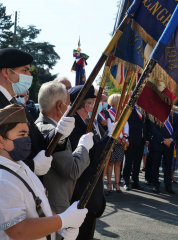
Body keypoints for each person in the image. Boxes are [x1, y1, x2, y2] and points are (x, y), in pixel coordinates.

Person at [0, 104, 88, 240]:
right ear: (0, 140)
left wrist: (59, 226)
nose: (27, 139)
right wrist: (62, 220)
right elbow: (18, 230)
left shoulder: (19, 165)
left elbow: (41, 206)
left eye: (27, 134)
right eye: (22, 134)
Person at [0, 48, 74, 176]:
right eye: (24, 70)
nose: (30, 76)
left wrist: (59, 133)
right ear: (6, 72)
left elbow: (38, 141)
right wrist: (30, 166)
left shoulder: (17, 105)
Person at [36, 81, 94, 240]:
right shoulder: (51, 131)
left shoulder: (40, 126)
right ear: (60, 105)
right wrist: (84, 147)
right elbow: (72, 170)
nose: (71, 109)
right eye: (69, 105)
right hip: (55, 206)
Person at [69, 85, 116, 240]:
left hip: (90, 191)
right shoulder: (75, 124)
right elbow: (91, 155)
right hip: (81, 191)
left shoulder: (87, 122)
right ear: (85, 105)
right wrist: (111, 136)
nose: (95, 106)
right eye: (93, 102)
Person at [98, 94, 129, 193]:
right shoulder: (106, 113)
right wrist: (119, 138)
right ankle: (109, 184)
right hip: (112, 140)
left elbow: (126, 125)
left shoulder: (121, 113)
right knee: (110, 163)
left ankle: (117, 183)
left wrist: (124, 137)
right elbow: (110, 127)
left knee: (119, 163)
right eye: (120, 100)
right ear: (116, 102)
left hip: (121, 141)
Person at [149, 111, 178, 194]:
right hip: (157, 143)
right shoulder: (155, 113)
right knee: (155, 165)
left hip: (169, 144)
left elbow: (176, 129)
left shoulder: (174, 115)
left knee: (168, 165)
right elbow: (153, 128)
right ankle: (155, 185)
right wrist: (162, 140)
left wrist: (171, 140)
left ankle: (168, 185)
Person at [123, 104, 150, 191]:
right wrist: (126, 138)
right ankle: (126, 181)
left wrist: (147, 139)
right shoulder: (130, 109)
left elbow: (146, 125)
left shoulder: (144, 110)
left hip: (141, 140)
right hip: (131, 140)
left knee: (137, 163)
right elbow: (125, 123)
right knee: (128, 162)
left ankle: (135, 182)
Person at [171, 106, 178, 183]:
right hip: (169, 140)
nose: (176, 112)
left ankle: (172, 176)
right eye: (175, 110)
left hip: (176, 142)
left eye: (177, 111)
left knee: (174, 160)